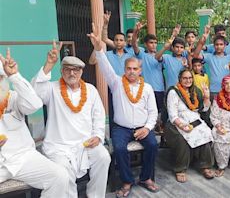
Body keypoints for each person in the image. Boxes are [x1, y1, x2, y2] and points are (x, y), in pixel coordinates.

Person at [32, 40, 111, 198]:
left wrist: (98, 136)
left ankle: (95, 195)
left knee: (103, 157)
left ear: (81, 72)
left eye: (76, 70)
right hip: (59, 146)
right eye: (68, 70)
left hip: (85, 143)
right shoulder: (52, 88)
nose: (72, 74)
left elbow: (98, 116)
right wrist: (48, 64)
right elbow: (34, 92)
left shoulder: (91, 90)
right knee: (62, 171)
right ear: (61, 71)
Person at [88, 23, 159, 196]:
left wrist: (147, 128)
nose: (132, 72)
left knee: (153, 145)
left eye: (135, 69)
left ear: (140, 70)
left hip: (142, 127)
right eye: (129, 69)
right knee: (119, 149)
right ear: (124, 70)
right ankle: (127, 181)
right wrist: (98, 49)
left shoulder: (148, 88)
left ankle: (145, 177)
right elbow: (104, 66)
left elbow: (153, 112)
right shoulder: (116, 83)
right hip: (121, 128)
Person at [0, 49, 69, 197]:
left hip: (22, 158)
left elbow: (34, 104)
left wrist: (15, 76)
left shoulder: (12, 97)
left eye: (0, 78)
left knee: (60, 176)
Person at [164, 68, 214, 183]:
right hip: (177, 121)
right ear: (180, 79)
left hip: (194, 119)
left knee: (205, 133)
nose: (188, 80)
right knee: (182, 139)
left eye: (190, 78)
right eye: (185, 78)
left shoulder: (195, 90)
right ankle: (180, 168)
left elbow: (203, 109)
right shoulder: (173, 92)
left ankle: (205, 166)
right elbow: (172, 115)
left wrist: (206, 97)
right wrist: (182, 125)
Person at [131, 22, 165, 124]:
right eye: (151, 42)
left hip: (159, 88)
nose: (154, 45)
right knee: (145, 110)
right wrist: (136, 31)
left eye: (155, 43)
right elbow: (134, 44)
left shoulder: (160, 56)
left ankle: (158, 129)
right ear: (146, 44)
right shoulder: (142, 55)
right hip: (145, 88)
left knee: (159, 111)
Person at [193, 25, 230, 99]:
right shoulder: (210, 57)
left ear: (225, 46)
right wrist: (202, 41)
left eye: (221, 44)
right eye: (217, 44)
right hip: (213, 90)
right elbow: (196, 55)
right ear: (213, 46)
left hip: (227, 90)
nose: (219, 46)